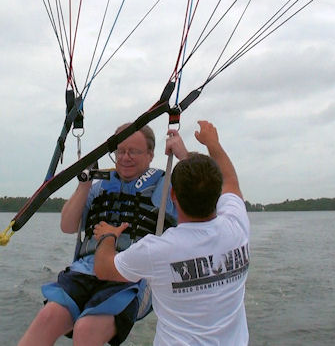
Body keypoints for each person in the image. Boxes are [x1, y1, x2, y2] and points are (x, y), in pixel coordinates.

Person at [18, 123, 188, 346]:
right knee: (47, 317)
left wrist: (183, 157)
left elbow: (204, 197)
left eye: (134, 152)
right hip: (85, 271)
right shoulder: (98, 188)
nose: (125, 157)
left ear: (150, 155)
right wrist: (84, 187)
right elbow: (67, 226)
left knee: (87, 329)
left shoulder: (166, 188)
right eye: (120, 151)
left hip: (132, 277)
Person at [93, 120, 250, 345]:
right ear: (218, 195)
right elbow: (231, 180)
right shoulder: (237, 226)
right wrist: (212, 144)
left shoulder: (157, 250)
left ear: (172, 196)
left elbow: (104, 268)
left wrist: (108, 235)